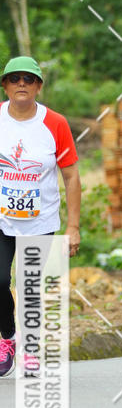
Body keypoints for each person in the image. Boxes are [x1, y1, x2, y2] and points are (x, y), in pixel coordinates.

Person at [0, 56, 81, 378]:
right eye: (15, 78)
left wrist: (73, 227)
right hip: (2, 220)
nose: (22, 84)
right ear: (5, 85)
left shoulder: (55, 123)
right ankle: (7, 338)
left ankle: (32, 348)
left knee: (32, 287)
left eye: (29, 79)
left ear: (38, 86)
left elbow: (72, 177)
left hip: (41, 220)